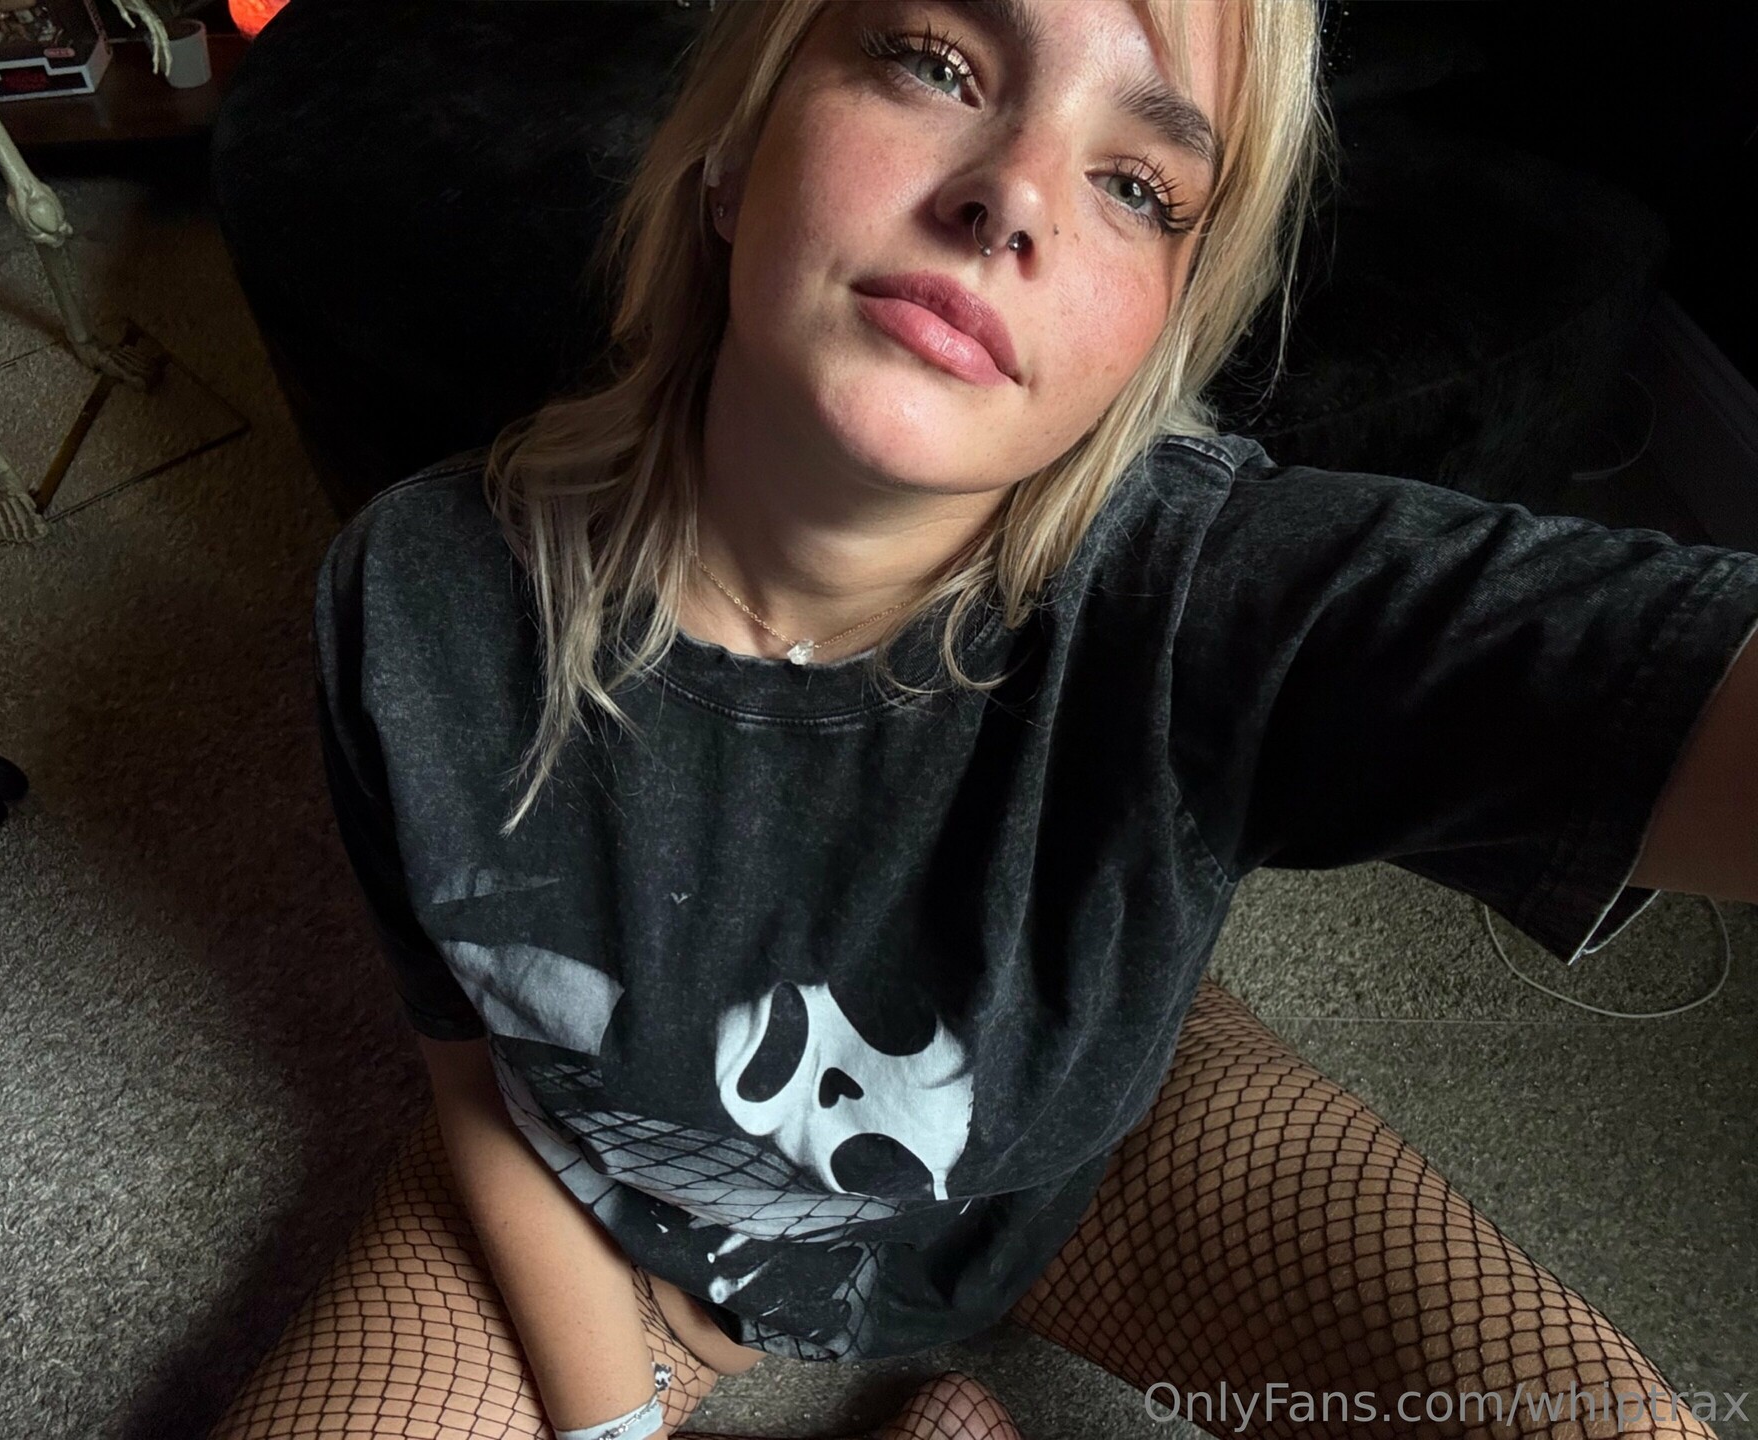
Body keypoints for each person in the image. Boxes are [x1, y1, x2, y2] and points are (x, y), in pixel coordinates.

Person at [213, 2, 1758, 1437]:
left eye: (1138, 186)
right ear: (737, 145)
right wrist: (608, 1422)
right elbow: (476, 1072)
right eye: (937, 64)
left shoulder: (1216, 595)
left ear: (1152, 340)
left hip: (1082, 1167)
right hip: (629, 1218)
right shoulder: (412, 604)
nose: (1014, 197)